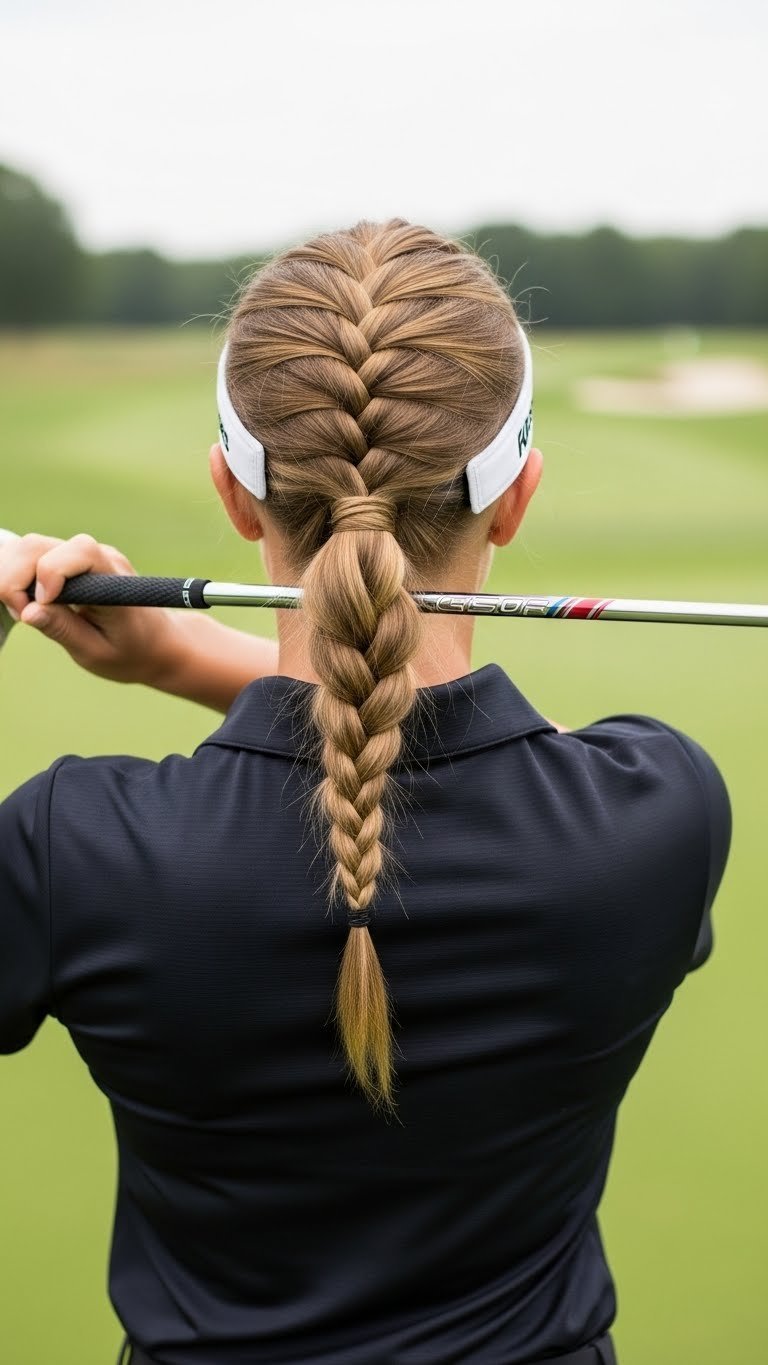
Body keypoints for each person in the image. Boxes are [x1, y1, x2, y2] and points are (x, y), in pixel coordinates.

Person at [0, 220, 730, 1365]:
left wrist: (180, 656)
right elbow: (484, 753)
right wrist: (186, 658)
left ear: (235, 495)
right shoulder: (660, 812)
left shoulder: (73, 845)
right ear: (517, 496)